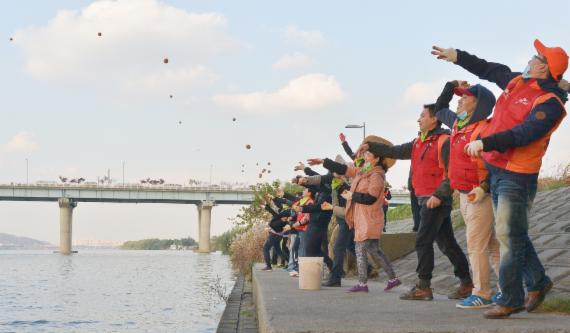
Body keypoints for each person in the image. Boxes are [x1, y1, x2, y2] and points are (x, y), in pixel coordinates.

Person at [432, 39, 568, 318]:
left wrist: (486, 143)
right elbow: (489, 69)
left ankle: (511, 298)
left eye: (536, 56)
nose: (529, 58)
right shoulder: (518, 82)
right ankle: (539, 282)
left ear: (545, 68)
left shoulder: (550, 103)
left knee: (508, 235)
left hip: (517, 176)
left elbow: (525, 133)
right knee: (513, 233)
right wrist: (458, 56)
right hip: (496, 170)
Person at [360, 105, 472, 301]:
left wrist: (439, 195)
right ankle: (466, 283)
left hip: (434, 199)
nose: (418, 120)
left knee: (422, 241)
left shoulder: (444, 141)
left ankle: (423, 286)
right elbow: (393, 151)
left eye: (422, 116)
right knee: (447, 243)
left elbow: (451, 173)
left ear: (434, 119)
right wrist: (370, 146)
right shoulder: (417, 142)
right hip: (423, 199)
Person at [435, 81, 501, 309]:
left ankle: (482, 293)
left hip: (479, 194)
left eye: (465, 97)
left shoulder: (485, 129)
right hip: (463, 194)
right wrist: (451, 86)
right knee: (490, 244)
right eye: (459, 96)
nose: (459, 100)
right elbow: (438, 107)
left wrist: (484, 188)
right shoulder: (457, 123)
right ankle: (509, 290)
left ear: (479, 104)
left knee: (476, 245)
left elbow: (498, 165)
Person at [309, 135, 401, 293]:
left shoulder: (376, 175)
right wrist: (323, 161)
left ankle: (363, 284)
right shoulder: (364, 171)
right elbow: (345, 169)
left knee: (360, 249)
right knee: (373, 250)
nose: (364, 156)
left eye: (368, 154)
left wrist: (353, 196)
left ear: (377, 158)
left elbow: (371, 198)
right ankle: (392, 279)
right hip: (362, 218)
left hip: (370, 218)